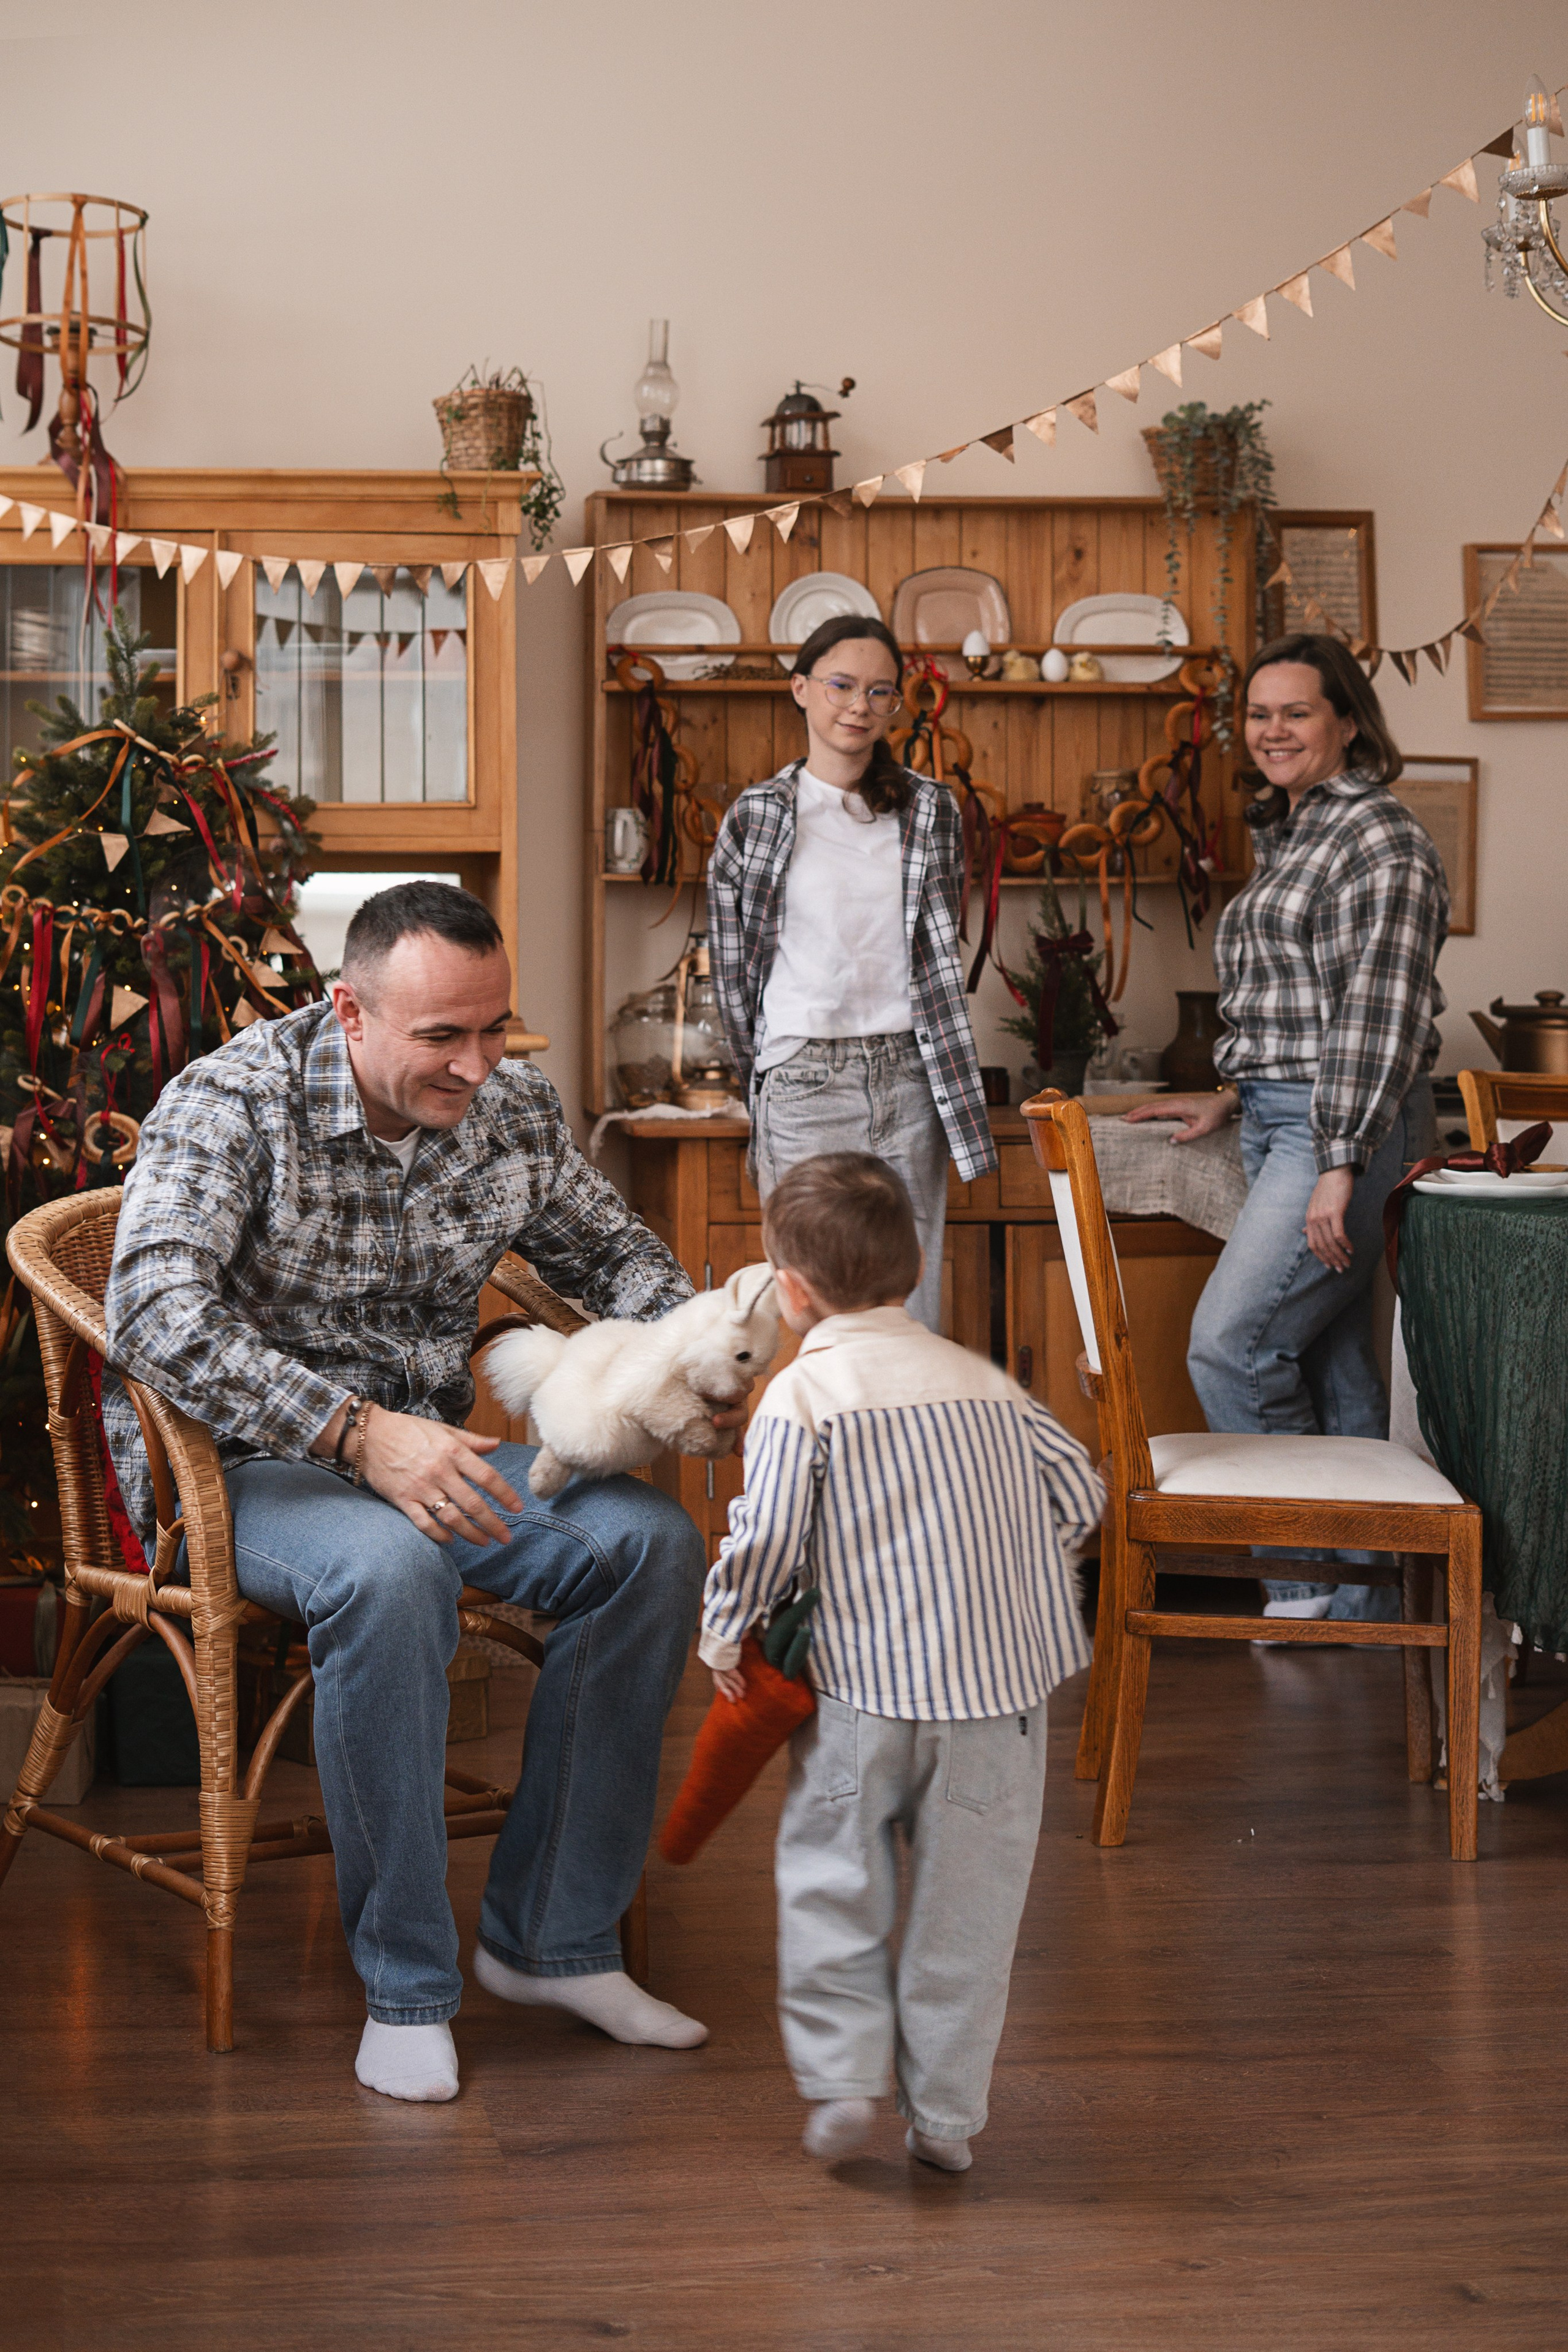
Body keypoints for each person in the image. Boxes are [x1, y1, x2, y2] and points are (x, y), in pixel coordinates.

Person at [104, 881, 743, 2103]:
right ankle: (406, 1987)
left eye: (494, 1027)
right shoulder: (231, 1105)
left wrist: (693, 1352)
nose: (476, 1063)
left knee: (648, 1546)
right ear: (348, 1009)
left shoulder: (504, 1111)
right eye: (442, 1036)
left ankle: (549, 1942)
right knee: (391, 1574)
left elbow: (612, 1255)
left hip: (431, 1460)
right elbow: (154, 1315)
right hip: (246, 1469)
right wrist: (352, 1433)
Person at [698, 1153, 1101, 2171]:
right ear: (917, 1267)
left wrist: (723, 1631)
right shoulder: (989, 1386)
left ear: (791, 1292)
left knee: (835, 1886)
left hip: (859, 1694)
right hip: (999, 1699)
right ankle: (948, 2121)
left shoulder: (803, 1397)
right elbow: (1083, 1498)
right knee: (971, 1913)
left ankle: (841, 2087)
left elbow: (771, 1538)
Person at [1126, 634, 1447, 1622]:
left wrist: (1341, 1160)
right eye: (1259, 715)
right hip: (1282, 1112)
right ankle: (1367, 1608)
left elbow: (1375, 1014)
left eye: (1295, 712)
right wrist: (1234, 1088)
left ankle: (1306, 1588)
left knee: (1232, 1344)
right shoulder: (1295, 830)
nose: (1272, 731)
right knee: (1333, 1362)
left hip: (1341, 1123)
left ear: (1348, 722)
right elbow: (1298, 997)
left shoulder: (1380, 839)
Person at [706, 614, 997, 1334]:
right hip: (805, 1081)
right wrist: (772, 1068)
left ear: (896, 705)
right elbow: (732, 967)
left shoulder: (931, 810)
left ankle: (913, 1449)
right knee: (811, 1305)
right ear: (801, 689)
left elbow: (937, 953)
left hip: (908, 1076)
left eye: (879, 692)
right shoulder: (758, 816)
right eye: (840, 685)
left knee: (912, 1308)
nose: (858, 706)